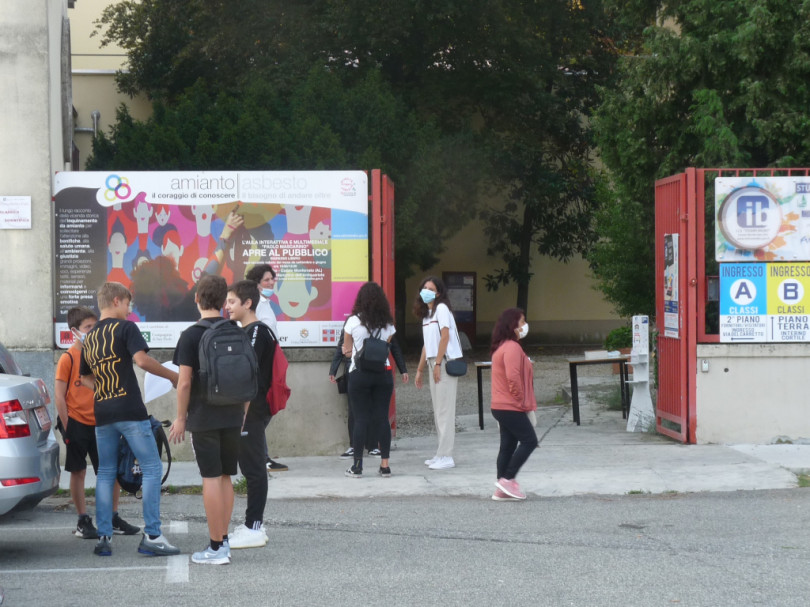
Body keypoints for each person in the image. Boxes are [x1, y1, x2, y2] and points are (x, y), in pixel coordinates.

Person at [79, 282, 180, 557]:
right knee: (151, 468)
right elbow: (143, 361)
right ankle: (153, 536)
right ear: (116, 300)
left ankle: (104, 538)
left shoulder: (89, 338)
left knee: (106, 472)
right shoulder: (126, 328)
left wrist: (103, 391)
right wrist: (174, 377)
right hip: (129, 410)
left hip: (103, 412)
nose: (130, 309)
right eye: (128, 303)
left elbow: (84, 378)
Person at [169, 274, 246, 565]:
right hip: (233, 413)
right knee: (226, 476)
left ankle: (216, 548)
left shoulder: (190, 335)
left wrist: (180, 418)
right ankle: (223, 539)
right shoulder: (236, 330)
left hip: (203, 416)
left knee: (210, 477)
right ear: (223, 300)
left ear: (197, 300)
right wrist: (244, 414)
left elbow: (185, 383)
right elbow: (247, 375)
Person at [55, 306, 140, 540]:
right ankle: (83, 519)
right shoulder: (68, 358)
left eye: (95, 326)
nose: (92, 331)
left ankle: (112, 516)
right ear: (75, 331)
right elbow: (59, 396)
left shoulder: (99, 353)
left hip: (103, 421)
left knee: (110, 472)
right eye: (87, 328)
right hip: (77, 423)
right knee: (79, 472)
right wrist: (67, 425)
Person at [223, 279, 277, 549]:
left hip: (252, 410)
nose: (227, 306)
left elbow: (247, 372)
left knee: (254, 470)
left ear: (247, 303)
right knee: (250, 468)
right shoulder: (246, 330)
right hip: (247, 409)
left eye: (232, 301)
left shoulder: (256, 331)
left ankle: (254, 526)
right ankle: (251, 524)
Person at [342, 282, 406, 478]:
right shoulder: (388, 325)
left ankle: (357, 466)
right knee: (382, 418)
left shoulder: (352, 322)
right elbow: (386, 348)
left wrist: (352, 351)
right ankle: (385, 465)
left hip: (359, 374)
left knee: (360, 419)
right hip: (383, 374)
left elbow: (347, 351)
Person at [329, 324, 408, 459]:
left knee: (372, 411)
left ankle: (371, 446)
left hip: (373, 369)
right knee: (355, 411)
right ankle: (355, 447)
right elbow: (342, 346)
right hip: (358, 369)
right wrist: (333, 368)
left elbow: (393, 346)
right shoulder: (354, 320)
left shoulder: (383, 322)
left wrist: (403, 368)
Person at [413, 276, 463, 470]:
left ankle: (447, 456)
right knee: (438, 410)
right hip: (434, 361)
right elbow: (427, 345)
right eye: (424, 287)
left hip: (444, 361)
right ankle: (440, 453)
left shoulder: (441, 309)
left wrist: (438, 363)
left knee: (445, 411)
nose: (426, 291)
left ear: (438, 293)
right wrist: (419, 369)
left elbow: (445, 336)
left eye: (430, 288)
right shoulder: (428, 314)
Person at [489, 308, 538, 501]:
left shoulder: (502, 346)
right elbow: (513, 377)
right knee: (529, 441)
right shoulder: (512, 347)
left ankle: (502, 488)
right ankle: (507, 479)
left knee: (508, 446)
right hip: (510, 406)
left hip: (500, 406)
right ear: (513, 325)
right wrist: (520, 400)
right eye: (522, 321)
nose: (525, 325)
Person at [244, 263, 287, 473]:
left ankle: (260, 453)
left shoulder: (267, 302)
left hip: (271, 358)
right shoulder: (256, 304)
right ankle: (261, 455)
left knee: (269, 407)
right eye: (266, 280)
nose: (271, 283)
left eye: (272, 279)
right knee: (263, 408)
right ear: (257, 284)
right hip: (262, 361)